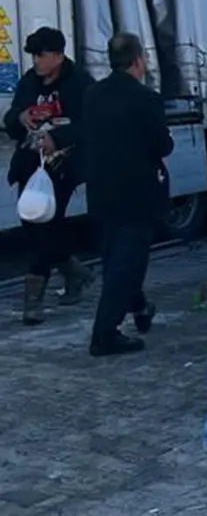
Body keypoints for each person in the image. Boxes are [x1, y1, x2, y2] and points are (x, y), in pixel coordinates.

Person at [82, 33, 174, 357]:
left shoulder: (92, 95)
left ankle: (139, 307)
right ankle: (104, 333)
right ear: (138, 61)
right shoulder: (146, 99)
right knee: (127, 263)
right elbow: (162, 145)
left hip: (101, 191)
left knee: (115, 258)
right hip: (136, 194)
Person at [5, 27, 96, 325]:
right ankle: (74, 271)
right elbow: (12, 116)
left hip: (62, 166)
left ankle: (34, 301)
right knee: (31, 221)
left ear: (58, 55)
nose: (36, 61)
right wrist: (20, 117)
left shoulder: (80, 83)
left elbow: (89, 124)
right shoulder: (30, 81)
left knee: (45, 225)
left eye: (41, 55)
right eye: (33, 55)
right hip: (30, 164)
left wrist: (58, 138)